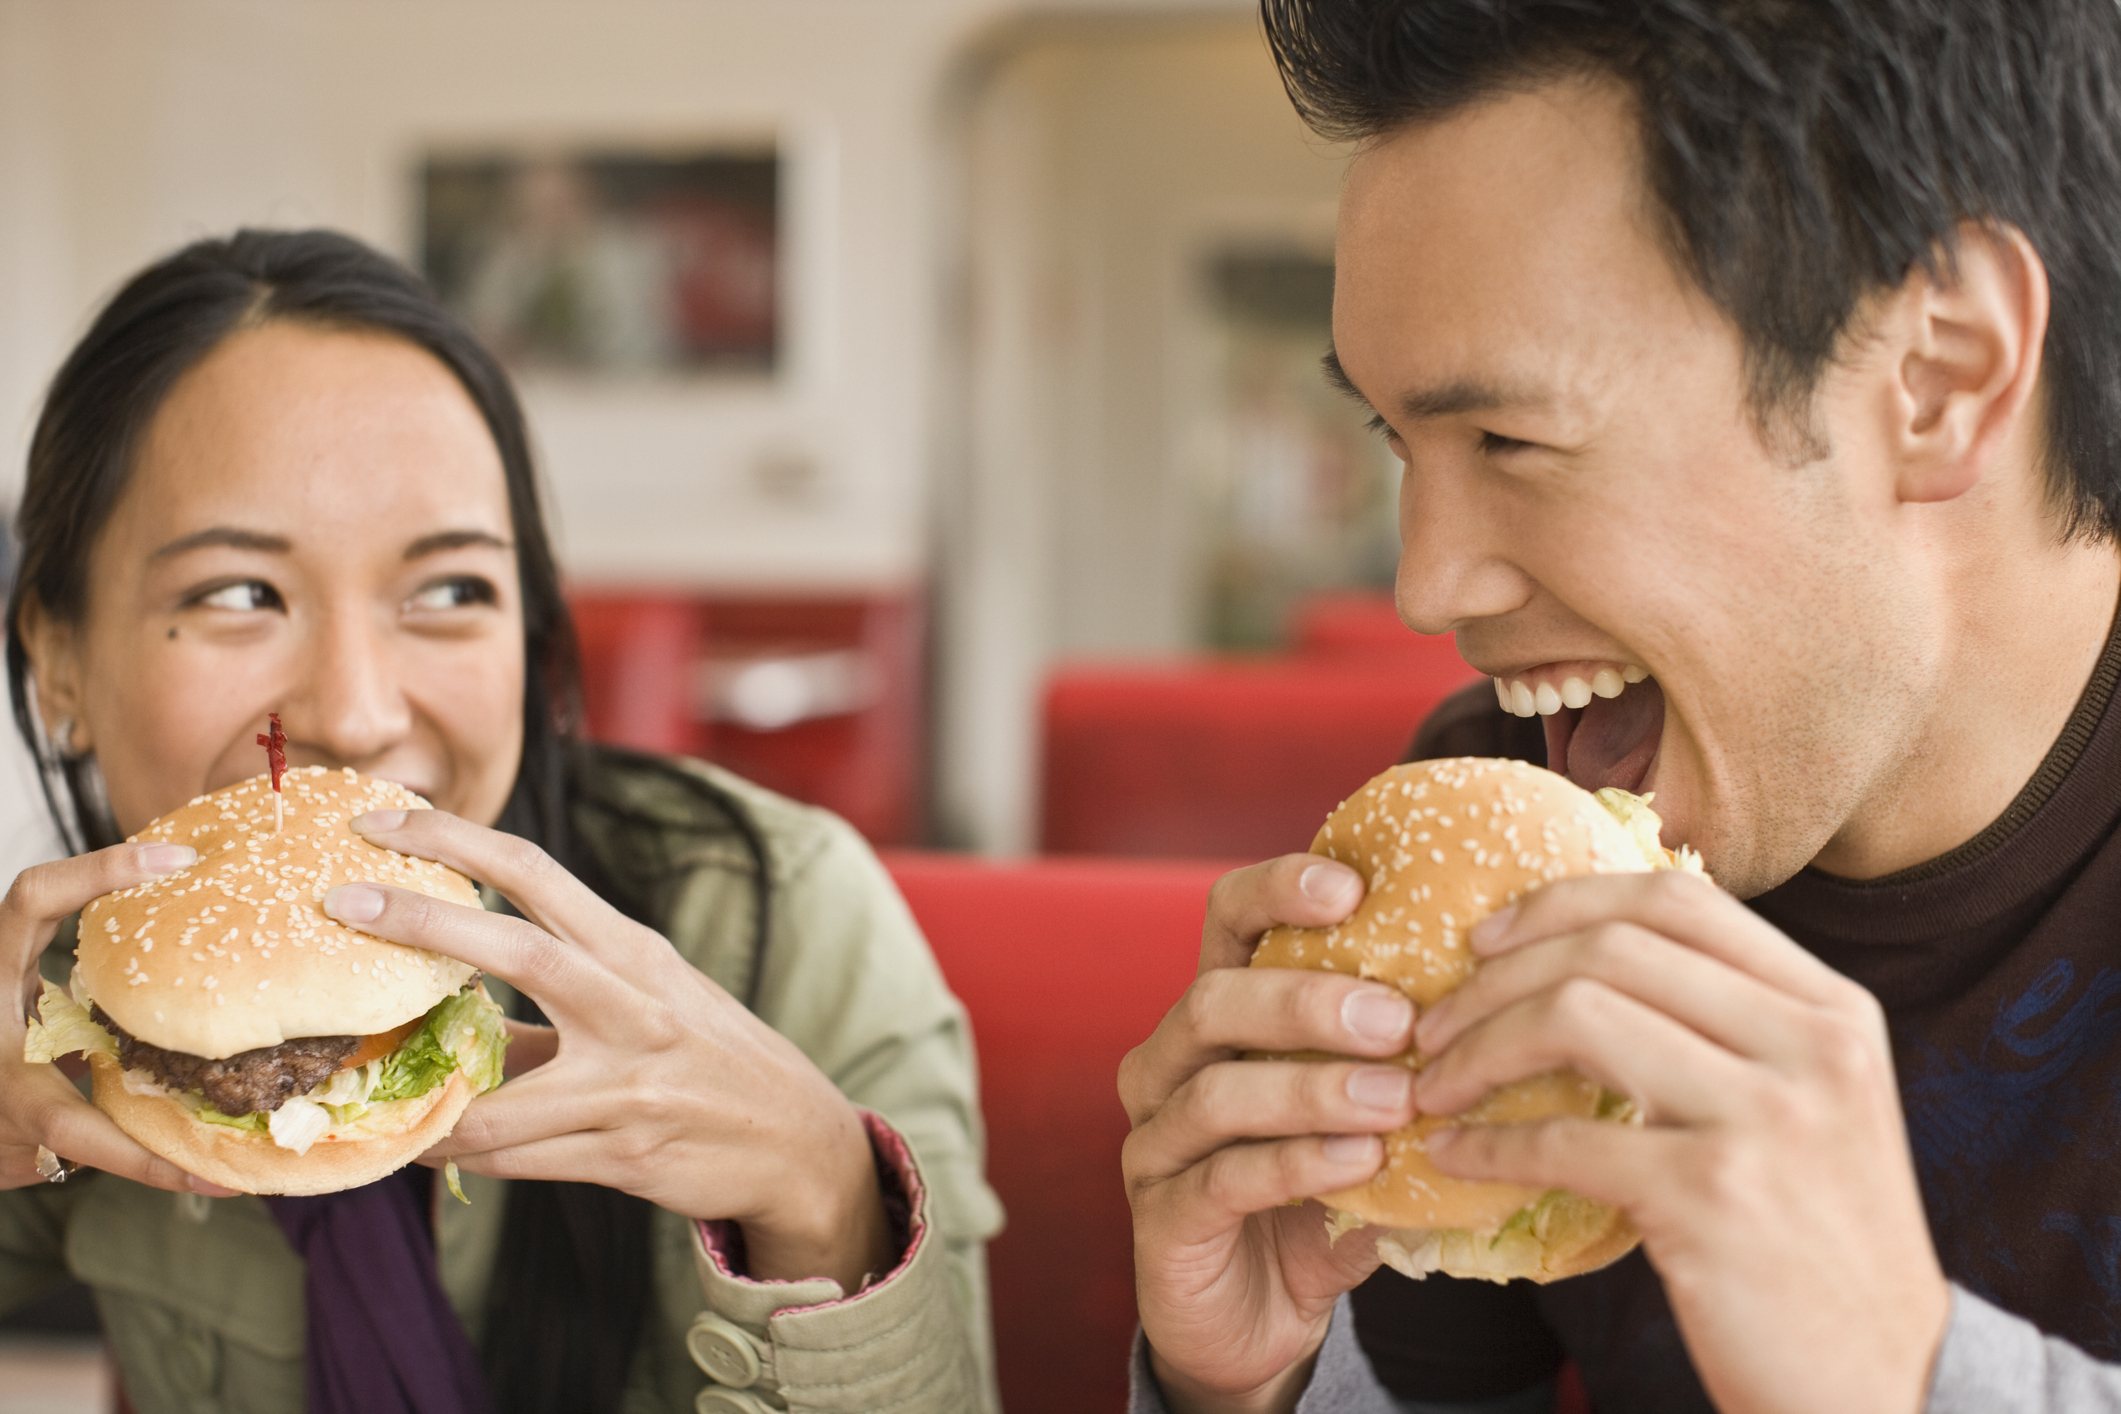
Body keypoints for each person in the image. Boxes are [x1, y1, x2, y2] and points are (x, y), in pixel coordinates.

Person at [1121, 2, 2121, 1412]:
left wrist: (1904, 1376)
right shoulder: (1496, 810)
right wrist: (1257, 1383)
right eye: (1397, 439)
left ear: (1939, 378)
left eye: (1510, 439)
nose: (1425, 585)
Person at [0, 229, 1002, 1414]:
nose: (361, 713)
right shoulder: (85, 1001)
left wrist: (823, 1190)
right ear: (55, 661)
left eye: (450, 589)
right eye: (237, 594)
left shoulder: (786, 916)